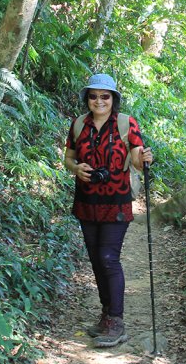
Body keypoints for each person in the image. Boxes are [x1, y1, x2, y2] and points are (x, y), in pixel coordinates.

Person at [63, 73, 153, 347]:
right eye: (93, 96)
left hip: (116, 202)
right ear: (87, 99)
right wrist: (75, 168)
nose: (99, 101)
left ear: (114, 99)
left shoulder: (127, 123)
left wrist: (143, 158)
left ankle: (117, 320)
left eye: (105, 96)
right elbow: (69, 157)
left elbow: (137, 160)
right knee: (95, 259)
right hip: (86, 202)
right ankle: (106, 316)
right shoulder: (79, 124)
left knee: (108, 258)